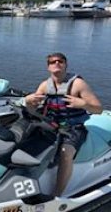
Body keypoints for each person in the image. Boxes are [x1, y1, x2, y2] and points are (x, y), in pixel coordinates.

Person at [25, 52, 102, 196]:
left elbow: (98, 109)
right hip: (51, 126)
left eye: (60, 61)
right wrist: (28, 101)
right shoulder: (44, 86)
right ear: (48, 67)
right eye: (53, 62)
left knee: (65, 153)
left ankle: (57, 194)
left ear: (66, 65)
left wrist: (83, 104)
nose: (57, 64)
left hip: (73, 128)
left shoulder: (78, 84)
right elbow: (32, 111)